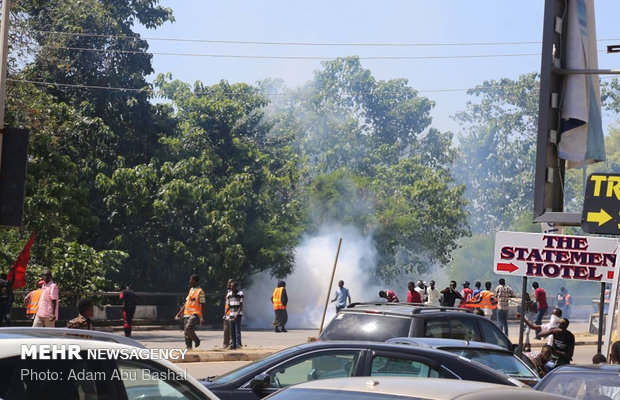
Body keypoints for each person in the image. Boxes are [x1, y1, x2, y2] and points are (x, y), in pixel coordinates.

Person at [175, 274, 206, 350]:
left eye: (191, 280)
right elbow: (186, 303)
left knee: (188, 328)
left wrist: (202, 317)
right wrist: (179, 313)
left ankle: (196, 340)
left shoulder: (200, 291)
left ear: (195, 281)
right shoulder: (191, 290)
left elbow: (202, 304)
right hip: (187, 314)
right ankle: (189, 348)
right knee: (186, 332)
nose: (189, 281)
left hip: (195, 314)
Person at [226, 281, 244, 349]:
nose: (231, 288)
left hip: (238, 314)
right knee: (232, 330)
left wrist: (237, 314)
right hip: (231, 314)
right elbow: (228, 305)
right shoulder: (229, 294)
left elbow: (241, 305)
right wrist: (225, 313)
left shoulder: (240, 293)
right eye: (230, 287)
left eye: (233, 286)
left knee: (237, 330)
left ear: (236, 287)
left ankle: (239, 344)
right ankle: (233, 345)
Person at [223, 278, 233, 348]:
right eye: (228, 283)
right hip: (227, 314)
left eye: (229, 283)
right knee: (226, 330)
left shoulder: (233, 293)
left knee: (231, 330)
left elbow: (231, 304)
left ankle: (232, 344)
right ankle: (225, 344)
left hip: (232, 314)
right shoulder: (228, 292)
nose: (228, 284)